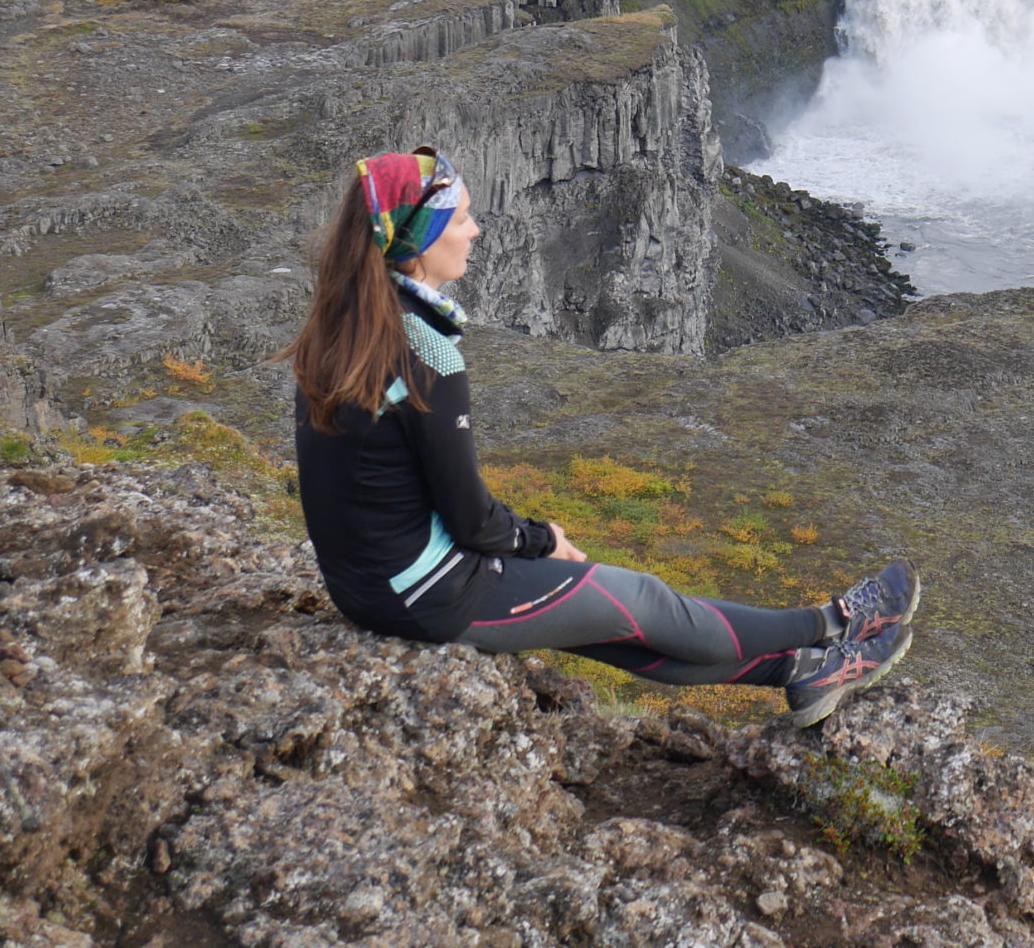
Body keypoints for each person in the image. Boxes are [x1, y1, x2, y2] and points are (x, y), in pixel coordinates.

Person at [282, 145, 915, 725]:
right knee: (643, 600)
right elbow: (470, 518)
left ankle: (805, 672)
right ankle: (833, 626)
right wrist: (541, 541)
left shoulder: (342, 331)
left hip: (372, 591)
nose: (475, 231)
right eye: (463, 218)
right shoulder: (424, 352)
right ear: (420, 240)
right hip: (431, 595)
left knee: (610, 624)